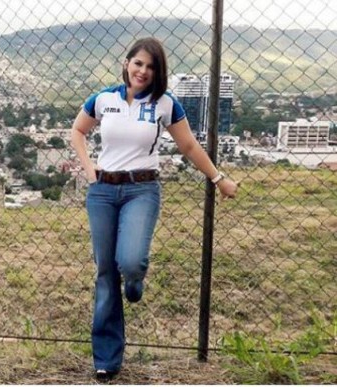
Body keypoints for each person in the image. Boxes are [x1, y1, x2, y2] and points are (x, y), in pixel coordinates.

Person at [70, 37, 238, 382]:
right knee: (105, 272)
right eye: (138, 63)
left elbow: (189, 145)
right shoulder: (103, 99)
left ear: (157, 72)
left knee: (130, 262)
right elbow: (78, 130)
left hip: (141, 189)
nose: (143, 71)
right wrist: (90, 171)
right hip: (103, 191)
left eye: (150, 66)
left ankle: (135, 281)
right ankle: (106, 358)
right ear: (126, 63)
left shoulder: (165, 104)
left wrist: (218, 178)